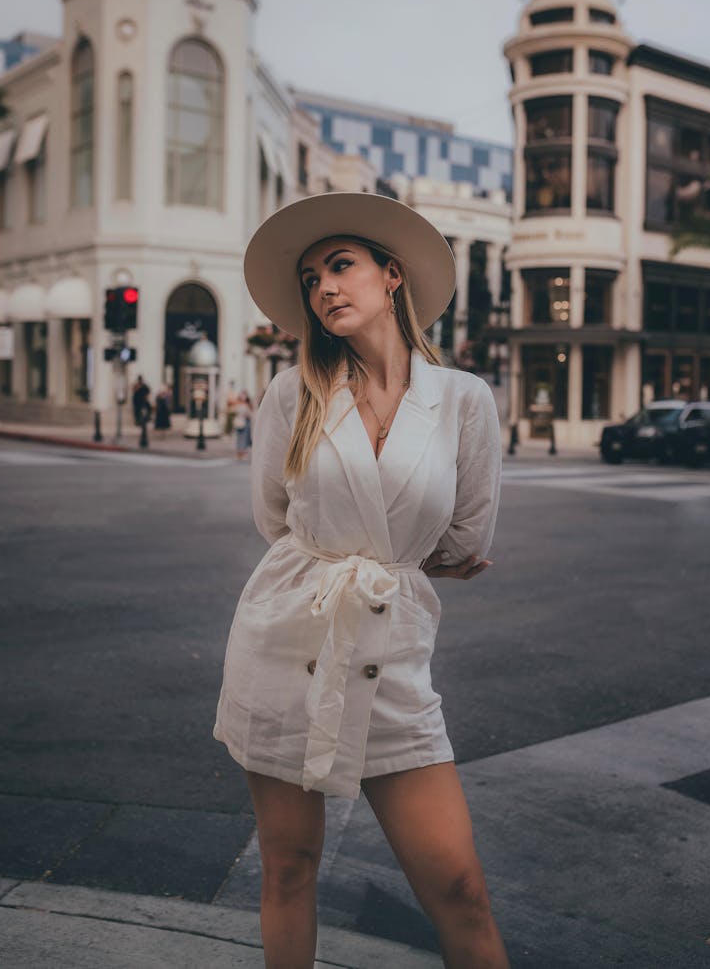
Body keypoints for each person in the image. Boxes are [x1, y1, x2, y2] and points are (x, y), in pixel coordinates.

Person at [214, 192, 509, 969]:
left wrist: (386, 555)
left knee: (459, 886)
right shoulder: (291, 393)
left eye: (340, 266)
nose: (324, 288)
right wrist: (366, 549)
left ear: (393, 275)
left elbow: (470, 537)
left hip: (394, 654)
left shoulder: (465, 401)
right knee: (289, 868)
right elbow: (276, 522)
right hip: (287, 641)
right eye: (311, 277)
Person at [234, 390, 254, 461]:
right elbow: (250, 414)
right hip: (244, 423)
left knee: (239, 439)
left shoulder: (238, 405)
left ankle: (239, 454)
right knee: (243, 439)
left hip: (239, 423)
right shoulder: (245, 406)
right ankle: (242, 454)